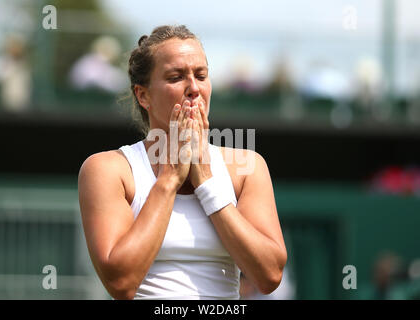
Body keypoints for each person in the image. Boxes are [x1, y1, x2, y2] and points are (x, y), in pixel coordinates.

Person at [78, 25, 287, 300]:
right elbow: (121, 282)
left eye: (201, 75)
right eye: (176, 77)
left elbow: (269, 275)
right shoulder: (108, 169)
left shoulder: (248, 166)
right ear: (143, 95)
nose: (193, 88)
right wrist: (169, 179)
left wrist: (208, 185)